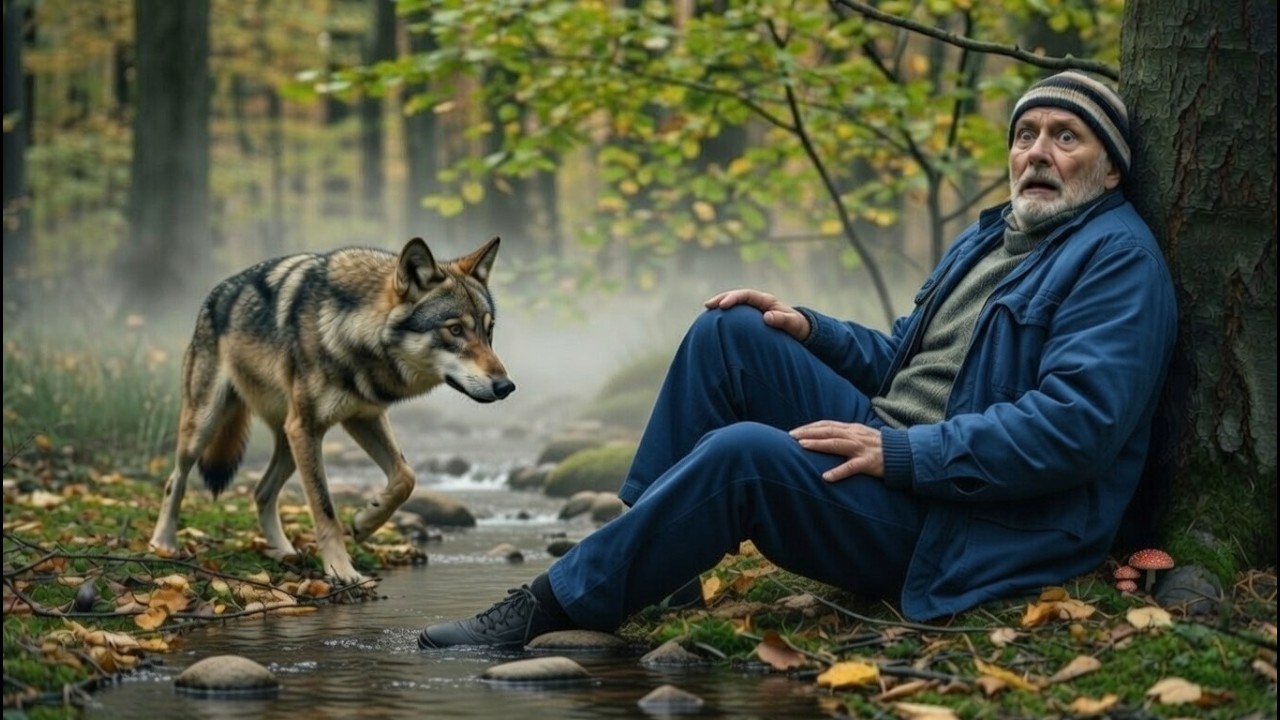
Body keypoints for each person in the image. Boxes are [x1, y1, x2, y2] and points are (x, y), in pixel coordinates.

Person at [418, 71, 1178, 649]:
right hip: (899, 452)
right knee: (731, 331)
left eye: (1066, 138)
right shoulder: (994, 238)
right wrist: (811, 329)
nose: (1037, 152)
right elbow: (905, 364)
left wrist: (903, 453)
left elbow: (1076, 429)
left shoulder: (1117, 260)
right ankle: (656, 564)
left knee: (743, 456)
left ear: (1111, 170)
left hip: (965, 521)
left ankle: (545, 609)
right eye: (1026, 134)